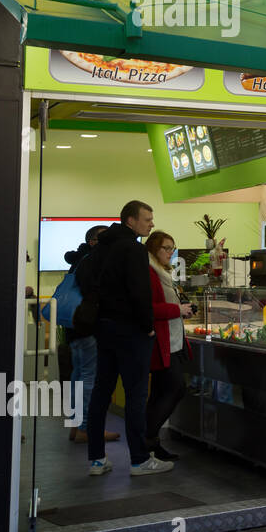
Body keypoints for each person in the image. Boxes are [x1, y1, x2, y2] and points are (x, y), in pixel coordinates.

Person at [80, 200, 174, 476]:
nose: (151, 224)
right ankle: (139, 459)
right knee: (136, 395)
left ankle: (96, 459)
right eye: (147, 219)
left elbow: (85, 279)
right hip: (131, 331)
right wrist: (147, 326)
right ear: (131, 221)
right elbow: (139, 293)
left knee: (101, 392)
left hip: (104, 327)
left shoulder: (101, 247)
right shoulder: (132, 249)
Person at [65, 225, 117, 444]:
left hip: (74, 327)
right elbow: (95, 293)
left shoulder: (79, 259)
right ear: (95, 241)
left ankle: (76, 426)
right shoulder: (93, 260)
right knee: (89, 378)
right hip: (88, 326)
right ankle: (86, 428)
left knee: (79, 375)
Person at [144, 231, 192, 462]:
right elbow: (148, 308)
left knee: (161, 393)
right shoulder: (150, 273)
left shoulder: (162, 273)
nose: (170, 252)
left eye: (172, 248)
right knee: (175, 389)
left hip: (171, 342)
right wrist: (178, 310)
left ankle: (151, 444)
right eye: (166, 248)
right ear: (154, 249)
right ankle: (146, 439)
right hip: (160, 344)